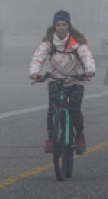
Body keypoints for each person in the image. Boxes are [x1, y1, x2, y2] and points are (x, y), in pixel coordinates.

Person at [29, 10, 96, 155]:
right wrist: (34, 73)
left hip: (75, 79)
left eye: (63, 24)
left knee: (75, 109)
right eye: (58, 24)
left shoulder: (77, 43)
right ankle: (51, 139)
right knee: (52, 108)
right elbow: (38, 57)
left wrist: (89, 70)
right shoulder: (48, 43)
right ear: (54, 26)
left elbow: (87, 57)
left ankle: (79, 136)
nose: (60, 27)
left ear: (68, 26)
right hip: (55, 78)